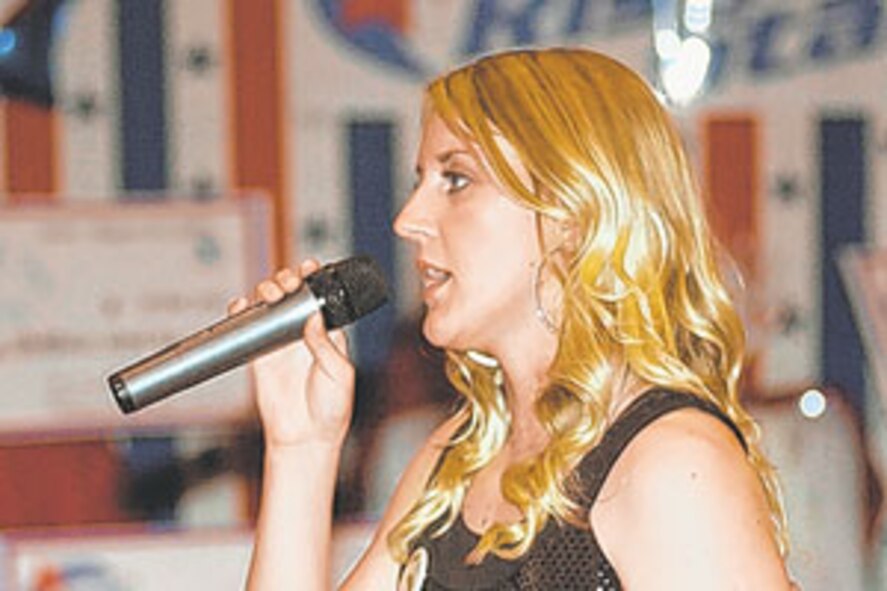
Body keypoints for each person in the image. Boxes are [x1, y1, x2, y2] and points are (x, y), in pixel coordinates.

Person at [235, 47, 795, 590]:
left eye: (456, 180)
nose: (408, 220)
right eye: (419, 180)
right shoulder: (457, 456)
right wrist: (300, 448)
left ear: (575, 212)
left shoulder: (670, 463)